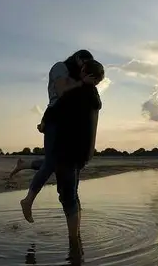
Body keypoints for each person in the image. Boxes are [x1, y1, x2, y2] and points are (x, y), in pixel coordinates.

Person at [14, 49, 97, 223]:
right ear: (78, 59)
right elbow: (61, 92)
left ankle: (24, 165)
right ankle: (28, 200)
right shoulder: (60, 67)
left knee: (61, 164)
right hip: (55, 118)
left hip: (67, 121)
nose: (85, 69)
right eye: (84, 65)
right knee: (52, 162)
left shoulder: (78, 78)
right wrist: (82, 82)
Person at [50, 59, 104, 241]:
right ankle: (77, 236)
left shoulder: (76, 93)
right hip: (83, 153)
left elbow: (55, 110)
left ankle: (73, 241)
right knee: (73, 193)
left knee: (67, 197)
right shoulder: (95, 96)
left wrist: (42, 124)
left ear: (84, 72)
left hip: (67, 150)